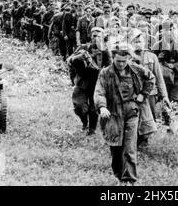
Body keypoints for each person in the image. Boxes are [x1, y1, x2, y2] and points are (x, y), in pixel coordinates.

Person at [94, 43, 156, 185]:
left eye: (124, 61)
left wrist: (143, 94)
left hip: (131, 111)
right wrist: (102, 107)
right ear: (112, 58)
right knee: (116, 146)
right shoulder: (105, 72)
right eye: (118, 61)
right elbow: (99, 92)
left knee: (129, 146)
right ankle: (118, 173)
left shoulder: (136, 70)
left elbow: (151, 78)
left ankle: (129, 180)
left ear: (128, 58)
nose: (121, 64)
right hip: (113, 113)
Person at [67, 27, 112, 136]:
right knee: (79, 106)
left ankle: (92, 130)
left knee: (93, 108)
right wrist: (77, 59)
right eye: (93, 35)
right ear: (90, 37)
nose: (95, 37)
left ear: (102, 37)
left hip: (96, 83)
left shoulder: (105, 52)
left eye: (98, 35)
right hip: (82, 81)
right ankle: (84, 122)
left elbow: (110, 69)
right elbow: (69, 61)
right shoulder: (83, 48)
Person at [129, 29, 170, 146]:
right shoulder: (128, 57)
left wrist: (164, 96)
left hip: (150, 94)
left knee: (148, 119)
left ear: (145, 42)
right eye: (135, 41)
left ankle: (144, 142)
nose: (138, 44)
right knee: (133, 118)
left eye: (140, 41)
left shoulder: (152, 57)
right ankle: (134, 142)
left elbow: (159, 78)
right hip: (133, 94)